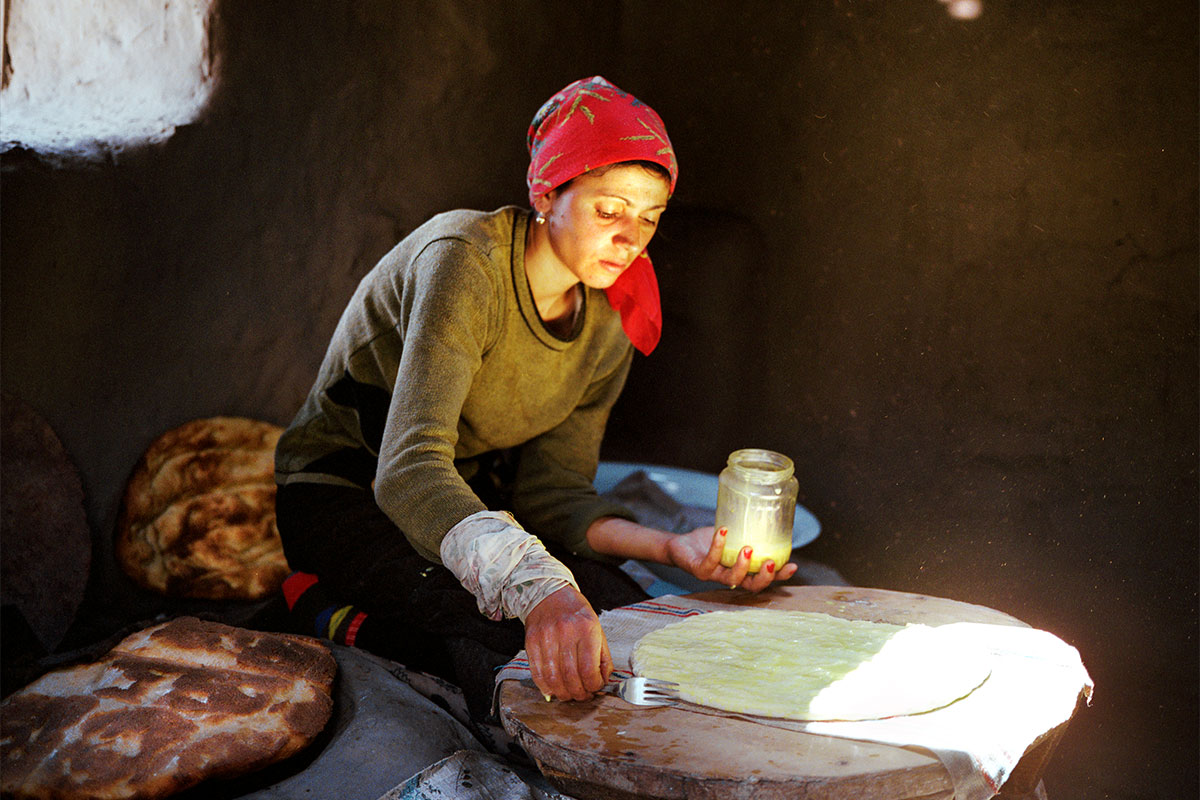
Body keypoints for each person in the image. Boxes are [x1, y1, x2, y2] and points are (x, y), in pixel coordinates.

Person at [273, 76, 798, 719]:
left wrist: (671, 549)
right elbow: (409, 473)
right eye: (610, 212)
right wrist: (540, 591)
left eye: (649, 218)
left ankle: (369, 608)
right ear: (548, 192)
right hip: (348, 495)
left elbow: (552, 497)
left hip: (470, 500)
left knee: (629, 620)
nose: (631, 240)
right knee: (514, 642)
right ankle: (320, 602)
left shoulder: (609, 320)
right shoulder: (464, 260)